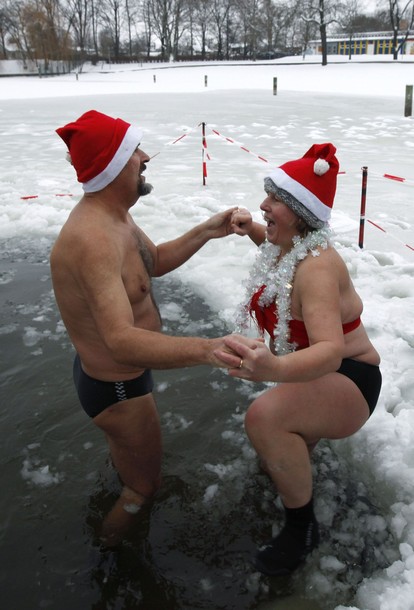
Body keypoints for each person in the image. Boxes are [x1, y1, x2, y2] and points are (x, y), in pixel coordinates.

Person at [50, 109, 237, 546]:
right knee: (143, 489)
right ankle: (109, 556)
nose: (146, 157)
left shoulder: (115, 215)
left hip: (119, 378)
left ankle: (125, 475)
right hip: (117, 386)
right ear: (114, 166)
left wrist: (208, 230)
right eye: (136, 154)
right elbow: (120, 342)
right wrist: (209, 349)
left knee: (133, 467)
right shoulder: (93, 238)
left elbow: (151, 263)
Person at [214, 143, 382, 576]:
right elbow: (277, 261)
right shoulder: (293, 247)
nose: (263, 205)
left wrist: (273, 368)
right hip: (322, 371)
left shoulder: (318, 268)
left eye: (273, 201)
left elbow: (329, 351)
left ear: (300, 212)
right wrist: (253, 227)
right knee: (285, 442)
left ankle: (301, 529)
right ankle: (300, 470)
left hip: (351, 376)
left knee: (264, 419)